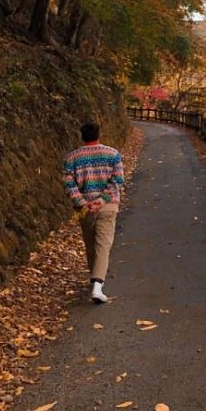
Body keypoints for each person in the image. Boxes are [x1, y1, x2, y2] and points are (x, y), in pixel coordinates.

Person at [62, 122, 124, 304]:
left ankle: (95, 282)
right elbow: (118, 179)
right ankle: (97, 285)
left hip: (85, 208)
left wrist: (82, 202)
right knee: (102, 245)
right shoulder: (112, 154)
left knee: (91, 244)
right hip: (108, 205)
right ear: (99, 134)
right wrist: (102, 200)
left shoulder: (72, 157)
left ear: (82, 136)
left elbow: (69, 183)